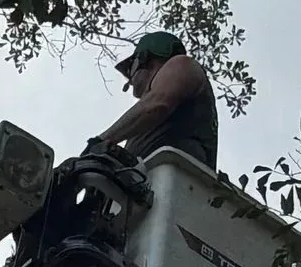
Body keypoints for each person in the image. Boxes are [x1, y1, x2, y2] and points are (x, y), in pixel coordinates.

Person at [92, 27, 219, 171]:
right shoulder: (140, 125)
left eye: (130, 68)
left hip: (181, 183)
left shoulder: (183, 65)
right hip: (149, 185)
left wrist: (101, 141)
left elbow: (158, 105)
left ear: (143, 59)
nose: (130, 80)